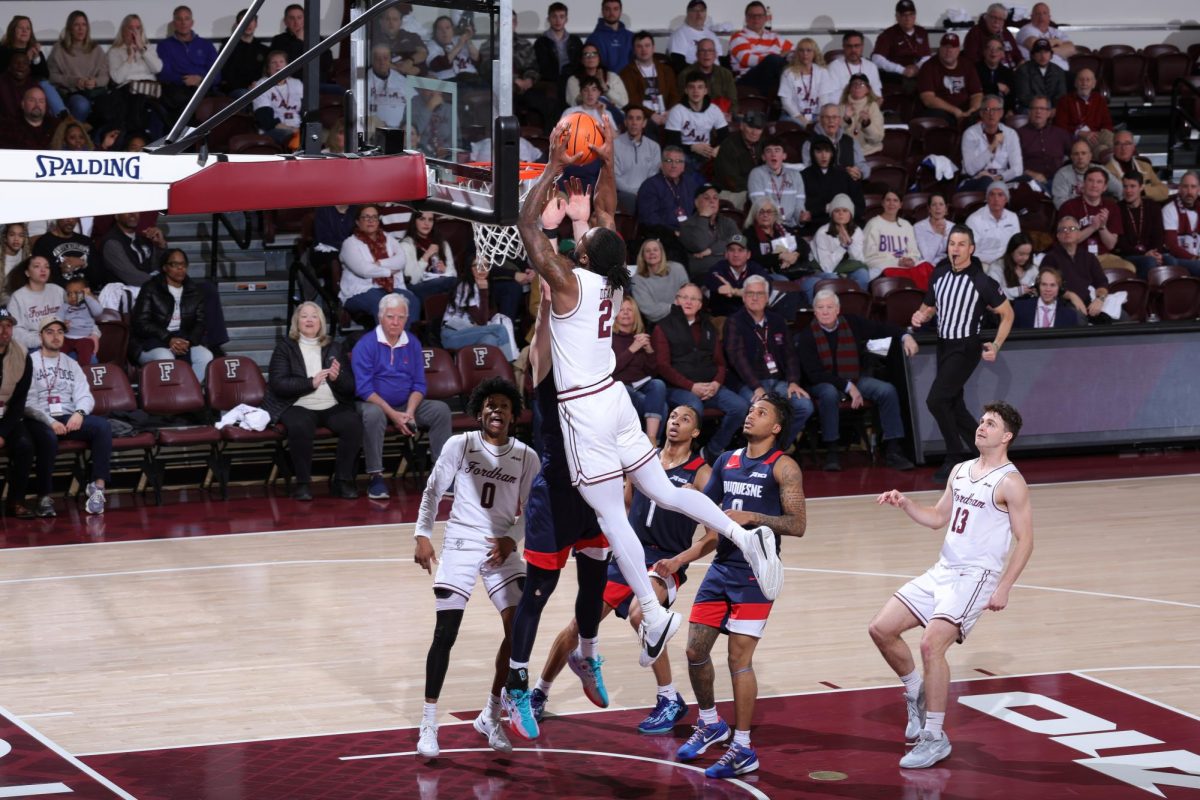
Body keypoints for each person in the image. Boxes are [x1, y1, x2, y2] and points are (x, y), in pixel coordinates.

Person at [514, 115, 783, 713]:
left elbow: (530, 227)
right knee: (660, 487)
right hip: (614, 397)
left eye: (579, 241)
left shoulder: (567, 282)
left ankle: (656, 612)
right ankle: (744, 534)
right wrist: (604, 161)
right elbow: (608, 217)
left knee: (612, 515)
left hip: (585, 408)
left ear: (581, 253)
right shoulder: (612, 280)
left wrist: (558, 166)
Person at [869, 401, 1033, 769]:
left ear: (1006, 436)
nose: (981, 426)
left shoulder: (1011, 481)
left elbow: (1026, 540)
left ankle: (935, 736)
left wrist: (1005, 586)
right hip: (943, 569)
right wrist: (906, 503)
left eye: (990, 423)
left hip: (976, 577)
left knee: (931, 645)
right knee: (881, 628)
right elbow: (938, 518)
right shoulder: (960, 470)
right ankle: (916, 691)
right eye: (981, 421)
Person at [532, 404, 712, 731]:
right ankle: (539, 693)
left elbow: (713, 536)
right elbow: (625, 504)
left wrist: (678, 561)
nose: (675, 421)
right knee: (578, 626)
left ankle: (669, 697)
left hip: (665, 560)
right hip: (630, 555)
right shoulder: (645, 461)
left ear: (695, 432)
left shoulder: (701, 474)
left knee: (642, 615)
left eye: (685, 419)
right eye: (672, 415)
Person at [677, 394, 806, 779]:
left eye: (761, 412)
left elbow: (797, 524)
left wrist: (753, 516)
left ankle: (743, 747)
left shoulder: (784, 466)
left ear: (777, 427)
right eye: (751, 410)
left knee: (738, 660)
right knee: (694, 649)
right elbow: (709, 519)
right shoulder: (726, 461)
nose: (751, 415)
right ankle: (711, 722)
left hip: (754, 575)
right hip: (721, 569)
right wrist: (679, 559)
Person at [412, 377, 539, 759]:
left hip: (500, 547)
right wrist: (422, 533)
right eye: (490, 405)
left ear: (514, 416)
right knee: (446, 633)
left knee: (518, 630)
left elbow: (532, 511)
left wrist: (511, 538)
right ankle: (429, 722)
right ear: (479, 410)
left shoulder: (526, 457)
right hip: (462, 541)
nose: (496, 410)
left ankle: (490, 714)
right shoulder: (460, 444)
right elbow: (434, 489)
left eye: (504, 406)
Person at [910, 226, 1014, 482]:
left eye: (961, 244)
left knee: (936, 400)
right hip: (943, 344)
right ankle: (988, 452)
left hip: (966, 346)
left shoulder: (981, 280)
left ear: (971, 249)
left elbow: (1008, 314)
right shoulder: (940, 274)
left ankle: (954, 456)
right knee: (953, 404)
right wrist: (920, 315)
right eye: (952, 243)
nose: (955, 249)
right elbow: (929, 306)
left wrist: (997, 345)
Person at [796, 289, 918, 470]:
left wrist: (905, 336)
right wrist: (847, 387)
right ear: (815, 311)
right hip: (822, 383)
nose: (825, 311)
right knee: (829, 393)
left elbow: (883, 328)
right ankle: (832, 452)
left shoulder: (852, 323)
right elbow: (814, 374)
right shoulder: (806, 335)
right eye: (820, 307)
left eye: (829, 307)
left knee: (887, 390)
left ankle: (893, 449)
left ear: (838, 309)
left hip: (854, 378)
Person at [352, 293, 452, 500]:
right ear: (380, 317)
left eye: (401, 317)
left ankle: (441, 475)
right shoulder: (366, 344)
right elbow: (364, 389)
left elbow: (419, 384)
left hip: (406, 404)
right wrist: (394, 415)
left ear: (407, 319)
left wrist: (409, 412)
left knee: (440, 410)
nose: (395, 322)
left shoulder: (413, 343)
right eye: (390, 316)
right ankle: (376, 476)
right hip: (374, 403)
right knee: (373, 414)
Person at [261, 302, 362, 501]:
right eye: (304, 316)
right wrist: (310, 383)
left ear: (321, 322)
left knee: (353, 424)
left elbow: (350, 386)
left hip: (331, 404)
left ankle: (342, 480)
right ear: (296, 322)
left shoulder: (334, 347)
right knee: (300, 425)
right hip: (297, 404)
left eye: (314, 316)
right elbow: (278, 384)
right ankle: (303, 483)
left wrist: (337, 378)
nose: (309, 320)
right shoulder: (285, 348)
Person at [653, 282, 752, 462]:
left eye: (694, 299)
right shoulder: (663, 327)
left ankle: (712, 451)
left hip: (710, 386)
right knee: (693, 408)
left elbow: (721, 363)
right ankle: (683, 457)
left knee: (740, 407)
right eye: (684, 297)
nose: (689, 302)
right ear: (676, 301)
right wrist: (691, 387)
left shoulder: (708, 326)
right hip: (678, 388)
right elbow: (662, 366)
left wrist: (716, 383)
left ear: (700, 304)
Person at [24, 317, 111, 517]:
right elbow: (27, 403)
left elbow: (85, 396)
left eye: (60, 332)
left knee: (102, 427)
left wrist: (79, 414)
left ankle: (98, 488)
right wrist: (51, 421)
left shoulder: (71, 363)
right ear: (40, 336)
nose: (56, 336)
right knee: (47, 437)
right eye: (50, 332)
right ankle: (44, 497)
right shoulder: (30, 362)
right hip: (40, 419)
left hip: (69, 418)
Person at [722, 275, 812, 447]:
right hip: (748, 384)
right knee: (761, 410)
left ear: (767, 296)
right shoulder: (734, 322)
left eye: (760, 293)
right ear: (743, 296)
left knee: (804, 406)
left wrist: (793, 382)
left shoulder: (777, 320)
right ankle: (756, 452)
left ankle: (775, 449)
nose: (755, 298)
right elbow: (736, 358)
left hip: (778, 381)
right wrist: (757, 386)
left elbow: (790, 354)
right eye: (750, 293)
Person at [130, 249, 213, 383]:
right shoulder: (150, 288)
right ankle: (170, 397)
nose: (180, 268)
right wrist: (168, 338)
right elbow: (141, 323)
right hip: (150, 342)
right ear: (165, 267)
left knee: (205, 356)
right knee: (166, 357)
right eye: (175, 264)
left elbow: (200, 323)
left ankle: (189, 393)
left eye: (183, 264)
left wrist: (189, 342)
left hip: (183, 339)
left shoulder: (195, 291)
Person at [339, 204, 420, 327]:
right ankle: (387, 343)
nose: (371, 220)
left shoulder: (388, 239)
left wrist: (379, 263)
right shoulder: (349, 244)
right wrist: (388, 271)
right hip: (360, 291)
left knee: (412, 301)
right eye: (366, 217)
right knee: (384, 304)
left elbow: (401, 260)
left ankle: (405, 342)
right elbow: (364, 270)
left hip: (391, 287)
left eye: (374, 217)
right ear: (357, 221)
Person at [1058, 165, 1136, 274]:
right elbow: (1069, 240)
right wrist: (1093, 227)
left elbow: (1111, 245)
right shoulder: (1069, 206)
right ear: (1083, 184)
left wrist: (1102, 227)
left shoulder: (1111, 206)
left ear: (1104, 187)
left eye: (1099, 182)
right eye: (1090, 181)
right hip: (1076, 255)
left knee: (1129, 268)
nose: (1094, 185)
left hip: (1103, 257)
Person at [636, 145, 706, 264]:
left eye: (678, 161)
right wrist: (673, 233)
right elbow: (649, 219)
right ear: (661, 164)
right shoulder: (650, 186)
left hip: (688, 234)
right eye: (669, 161)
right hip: (663, 236)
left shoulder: (691, 184)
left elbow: (698, 211)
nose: (674, 165)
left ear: (683, 166)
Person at [611, 296, 668, 443]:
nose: (625, 313)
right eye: (621, 310)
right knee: (662, 407)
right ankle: (652, 444)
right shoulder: (609, 338)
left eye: (629, 310)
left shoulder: (640, 337)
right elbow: (611, 369)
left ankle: (650, 440)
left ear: (635, 314)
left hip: (641, 386)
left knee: (658, 384)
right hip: (620, 387)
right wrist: (632, 349)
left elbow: (653, 372)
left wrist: (648, 350)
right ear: (615, 315)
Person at [440, 257, 519, 361]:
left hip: (471, 333)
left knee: (490, 340)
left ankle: (491, 375)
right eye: (477, 265)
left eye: (485, 266)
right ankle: (510, 367)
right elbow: (481, 321)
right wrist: (483, 291)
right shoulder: (464, 286)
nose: (482, 269)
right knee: (499, 329)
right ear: (470, 268)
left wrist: (484, 291)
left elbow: (488, 315)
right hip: (452, 335)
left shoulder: (484, 285)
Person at [0, 307, 38, 519]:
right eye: (0, 326)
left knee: (25, 445)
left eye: (8, 326)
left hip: (7, 416)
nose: (4, 331)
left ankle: (15, 502)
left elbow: (19, 402)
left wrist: (3, 433)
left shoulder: (22, 354)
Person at [1040, 215, 1112, 322]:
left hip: (1090, 301)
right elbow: (1046, 287)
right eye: (1063, 229)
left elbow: (1102, 282)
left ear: (1079, 234)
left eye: (1072, 229)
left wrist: (1100, 299)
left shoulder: (1089, 257)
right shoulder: (1050, 258)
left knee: (1120, 317)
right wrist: (1071, 296)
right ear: (1058, 236)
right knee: (1078, 318)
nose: (1067, 232)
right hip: (1063, 303)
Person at [105, 14, 166, 139]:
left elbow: (158, 68)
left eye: (137, 28)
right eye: (130, 28)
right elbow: (117, 78)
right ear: (123, 30)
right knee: (137, 104)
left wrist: (142, 49)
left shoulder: (147, 48)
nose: (134, 32)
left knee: (157, 108)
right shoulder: (115, 51)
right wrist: (130, 57)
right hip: (127, 91)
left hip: (150, 91)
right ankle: (137, 138)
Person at [156, 6, 220, 122]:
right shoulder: (164, 46)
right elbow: (164, 74)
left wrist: (200, 79)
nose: (183, 23)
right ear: (174, 23)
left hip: (203, 88)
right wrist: (184, 80)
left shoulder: (206, 45)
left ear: (192, 22)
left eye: (186, 19)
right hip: (178, 90)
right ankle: (187, 138)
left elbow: (216, 74)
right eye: (179, 19)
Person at [47, 10, 109, 124]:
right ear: (70, 28)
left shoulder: (96, 49)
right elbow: (51, 76)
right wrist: (74, 81)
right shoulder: (59, 49)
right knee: (81, 105)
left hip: (94, 93)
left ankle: (96, 139)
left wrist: (94, 82)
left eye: (84, 25)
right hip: (70, 93)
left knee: (109, 108)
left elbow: (105, 77)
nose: (81, 29)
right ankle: (73, 135)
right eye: (77, 25)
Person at [864, 190, 934, 287]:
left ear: (900, 205)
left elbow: (914, 252)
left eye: (895, 200)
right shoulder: (873, 224)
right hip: (885, 266)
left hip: (906, 266)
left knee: (927, 267)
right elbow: (868, 257)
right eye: (888, 200)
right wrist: (897, 261)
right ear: (882, 203)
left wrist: (910, 260)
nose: (891, 203)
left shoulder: (906, 225)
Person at [664, 75, 728, 172]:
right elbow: (672, 143)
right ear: (686, 90)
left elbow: (725, 135)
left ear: (705, 91)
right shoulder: (677, 111)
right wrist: (692, 147)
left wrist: (717, 148)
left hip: (707, 153)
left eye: (700, 87)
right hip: (683, 153)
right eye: (691, 87)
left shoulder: (714, 109)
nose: (695, 91)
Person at [915, 33, 982, 124]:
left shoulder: (967, 65)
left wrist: (972, 110)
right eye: (945, 47)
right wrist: (955, 111)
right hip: (942, 111)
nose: (949, 51)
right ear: (940, 49)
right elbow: (928, 99)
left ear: (958, 50)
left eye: (953, 47)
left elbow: (977, 94)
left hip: (966, 111)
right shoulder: (928, 67)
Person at [728, 1, 792, 97]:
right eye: (752, 16)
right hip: (747, 79)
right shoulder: (738, 37)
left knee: (803, 57)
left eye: (759, 16)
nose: (756, 19)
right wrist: (777, 56)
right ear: (746, 18)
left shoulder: (774, 37)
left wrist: (788, 56)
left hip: (773, 77)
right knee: (773, 61)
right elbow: (748, 60)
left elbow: (795, 52)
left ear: (765, 18)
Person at [960, 95, 1022, 191]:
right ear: (981, 113)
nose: (991, 113)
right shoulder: (970, 134)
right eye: (987, 109)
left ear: (1001, 113)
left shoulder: (1010, 134)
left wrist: (1000, 177)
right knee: (986, 181)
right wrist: (992, 147)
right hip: (977, 180)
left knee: (1027, 180)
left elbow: (1018, 169)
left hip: (1002, 180)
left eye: (995, 110)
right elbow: (970, 170)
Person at [802, 137, 865, 232]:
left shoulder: (845, 175)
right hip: (815, 226)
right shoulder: (804, 176)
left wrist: (834, 209)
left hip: (844, 224)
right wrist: (825, 208)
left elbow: (859, 206)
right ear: (812, 154)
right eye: (819, 152)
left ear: (832, 153)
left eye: (827, 151)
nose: (824, 156)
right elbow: (804, 207)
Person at [811, 194, 870, 295]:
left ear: (850, 214)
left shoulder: (857, 231)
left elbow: (859, 260)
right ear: (832, 214)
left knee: (863, 274)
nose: (841, 214)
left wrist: (849, 244)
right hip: (821, 269)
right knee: (833, 279)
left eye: (845, 210)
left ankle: (858, 304)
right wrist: (842, 247)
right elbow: (827, 267)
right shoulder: (822, 232)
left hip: (846, 267)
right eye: (837, 211)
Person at [620, 31, 680, 130]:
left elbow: (674, 95)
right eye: (639, 46)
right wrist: (651, 115)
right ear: (634, 50)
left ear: (653, 48)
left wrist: (670, 112)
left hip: (667, 115)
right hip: (643, 119)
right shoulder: (627, 73)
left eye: (647, 45)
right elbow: (631, 100)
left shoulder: (666, 70)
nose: (644, 50)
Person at [7, 256, 67, 352]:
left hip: (62, 340)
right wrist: (41, 340)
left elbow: (76, 311)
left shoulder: (58, 290)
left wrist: (93, 333)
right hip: (35, 345)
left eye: (47, 267)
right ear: (27, 273)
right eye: (37, 266)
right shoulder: (18, 297)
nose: (43, 270)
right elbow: (15, 330)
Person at [702, 235, 771, 318]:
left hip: (751, 318)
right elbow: (712, 278)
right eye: (731, 250)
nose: (736, 254)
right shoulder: (718, 267)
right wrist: (721, 287)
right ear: (726, 254)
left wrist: (734, 291)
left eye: (740, 250)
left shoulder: (755, 268)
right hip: (723, 319)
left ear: (748, 254)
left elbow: (766, 285)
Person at [965, 182, 1021, 284]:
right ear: (987, 198)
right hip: (983, 264)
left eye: (1000, 195)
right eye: (992, 194)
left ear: (1006, 199)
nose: (996, 199)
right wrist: (995, 261)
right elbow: (970, 251)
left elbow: (1017, 244)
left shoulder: (1013, 217)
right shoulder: (974, 219)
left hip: (1007, 263)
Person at [681, 184, 741, 279]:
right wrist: (703, 217)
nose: (712, 201)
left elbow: (739, 242)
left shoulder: (727, 221)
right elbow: (700, 245)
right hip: (704, 274)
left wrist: (711, 250)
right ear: (696, 203)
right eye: (706, 198)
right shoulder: (687, 225)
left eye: (715, 198)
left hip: (731, 271)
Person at [749, 140, 809, 231]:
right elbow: (759, 205)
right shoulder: (757, 174)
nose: (773, 154)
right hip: (767, 227)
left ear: (784, 156)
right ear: (763, 157)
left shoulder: (795, 175)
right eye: (769, 151)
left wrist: (801, 217)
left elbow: (799, 205)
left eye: (777, 150)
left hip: (791, 227)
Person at [401, 211, 458, 307]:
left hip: (441, 284)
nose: (426, 223)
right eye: (422, 219)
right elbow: (412, 280)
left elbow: (453, 275)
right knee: (450, 284)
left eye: (430, 220)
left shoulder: (442, 244)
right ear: (414, 222)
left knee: (457, 284)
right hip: (417, 287)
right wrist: (426, 256)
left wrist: (445, 270)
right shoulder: (406, 245)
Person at [801, 104, 871, 181]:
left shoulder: (851, 141)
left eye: (834, 117)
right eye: (827, 117)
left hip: (849, 186)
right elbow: (810, 171)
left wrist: (859, 173)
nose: (831, 121)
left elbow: (862, 165)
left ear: (839, 120)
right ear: (820, 120)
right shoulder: (810, 143)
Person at [1116, 173, 1168, 277]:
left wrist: (1155, 254)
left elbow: (1159, 235)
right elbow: (1120, 242)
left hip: (1151, 253)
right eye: (1125, 186)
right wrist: (1144, 254)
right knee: (1149, 262)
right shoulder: (1117, 208)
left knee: (1170, 260)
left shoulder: (1153, 206)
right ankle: (1146, 293)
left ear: (1141, 187)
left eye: (1132, 186)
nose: (1128, 191)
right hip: (1128, 255)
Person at [872, 0, 932, 89]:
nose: (908, 18)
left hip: (919, 76)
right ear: (897, 17)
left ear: (915, 16)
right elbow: (877, 59)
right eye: (904, 15)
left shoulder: (921, 32)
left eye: (911, 14)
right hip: (896, 78)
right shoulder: (888, 34)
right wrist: (901, 70)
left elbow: (927, 56)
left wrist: (917, 67)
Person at [778, 38, 837, 128]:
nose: (805, 54)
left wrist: (819, 118)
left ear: (814, 53)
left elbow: (824, 99)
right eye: (801, 51)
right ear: (797, 53)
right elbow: (786, 102)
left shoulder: (822, 72)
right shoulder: (788, 73)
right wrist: (803, 120)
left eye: (809, 50)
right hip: (792, 116)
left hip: (816, 116)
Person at [742, 197, 808, 277]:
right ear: (754, 215)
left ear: (775, 214)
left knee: (824, 279)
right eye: (761, 212)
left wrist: (795, 254)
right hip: (767, 274)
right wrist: (780, 256)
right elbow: (754, 258)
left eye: (769, 212)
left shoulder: (784, 229)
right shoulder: (749, 234)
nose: (765, 215)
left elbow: (804, 245)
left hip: (794, 270)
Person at [1053, 68, 1113, 155]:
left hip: (1097, 136)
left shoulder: (1100, 99)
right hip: (1076, 138)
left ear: (1094, 84)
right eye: (1081, 80)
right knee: (1102, 149)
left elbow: (1108, 124)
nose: (1084, 83)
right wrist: (1080, 132)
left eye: (1088, 80)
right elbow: (1060, 126)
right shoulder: (1065, 100)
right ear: (1075, 83)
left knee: (1108, 137)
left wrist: (1095, 134)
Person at [614, 105, 662, 213]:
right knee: (630, 200)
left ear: (644, 123)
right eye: (630, 118)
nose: (634, 123)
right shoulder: (614, 145)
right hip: (622, 193)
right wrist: (635, 192)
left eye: (638, 119)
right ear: (625, 122)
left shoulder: (654, 147)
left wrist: (644, 192)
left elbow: (653, 176)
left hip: (647, 192)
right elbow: (615, 178)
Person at [712, 110, 765, 208]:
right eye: (751, 127)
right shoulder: (729, 146)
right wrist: (756, 187)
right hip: (731, 192)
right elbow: (731, 181)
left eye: (758, 128)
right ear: (742, 126)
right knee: (758, 201)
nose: (754, 132)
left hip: (755, 189)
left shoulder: (762, 143)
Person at [631, 237, 690, 324]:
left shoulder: (677, 269)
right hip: (658, 325)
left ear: (662, 253)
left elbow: (688, 297)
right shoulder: (637, 280)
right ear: (643, 256)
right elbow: (650, 310)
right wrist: (674, 307)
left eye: (655, 250)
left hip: (683, 319)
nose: (652, 253)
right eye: (647, 251)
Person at [1019, 95, 1071, 192]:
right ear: (1029, 112)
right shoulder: (1019, 134)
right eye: (1035, 108)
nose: (1038, 112)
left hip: (1059, 180)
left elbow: (1074, 155)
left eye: (1042, 108)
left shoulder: (1060, 133)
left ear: (1049, 113)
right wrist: (1031, 174)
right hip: (1032, 182)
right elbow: (1013, 165)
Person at [676, 39, 738, 121]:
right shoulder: (685, 74)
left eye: (710, 51)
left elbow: (733, 101)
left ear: (715, 54)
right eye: (702, 51)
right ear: (697, 55)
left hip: (722, 117)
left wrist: (730, 114)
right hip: (695, 117)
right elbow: (682, 101)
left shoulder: (725, 74)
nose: (707, 54)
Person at [1052, 138, 1121, 210]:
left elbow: (1120, 190)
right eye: (1076, 154)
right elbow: (1060, 203)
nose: (1080, 157)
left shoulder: (1101, 170)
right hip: (1074, 214)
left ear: (1090, 156)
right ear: (1071, 157)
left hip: (1099, 213)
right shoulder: (1062, 174)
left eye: (1083, 153)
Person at [1105, 131, 1169, 204]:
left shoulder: (1145, 166)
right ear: (1113, 147)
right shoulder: (1106, 171)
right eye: (1119, 144)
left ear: (1133, 147)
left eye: (1127, 143)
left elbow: (1164, 192)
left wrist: (1143, 191)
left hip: (1146, 208)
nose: (1123, 148)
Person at [31, 217, 98, 288]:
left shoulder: (86, 241)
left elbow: (99, 276)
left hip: (86, 292)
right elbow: (40, 276)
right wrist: (61, 270)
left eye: (74, 217)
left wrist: (83, 263)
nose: (70, 220)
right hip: (58, 294)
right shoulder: (44, 243)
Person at [534, 2, 584, 90]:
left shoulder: (575, 41)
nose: (558, 20)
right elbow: (541, 67)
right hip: (550, 83)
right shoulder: (541, 42)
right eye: (554, 16)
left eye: (561, 16)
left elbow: (580, 64)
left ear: (566, 19)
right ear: (549, 19)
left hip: (572, 81)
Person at [1161, 170, 1200, 277]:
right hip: (1178, 258)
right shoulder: (1169, 209)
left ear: (1198, 189)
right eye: (1185, 187)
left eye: (1193, 187)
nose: (1189, 191)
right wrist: (1194, 258)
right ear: (1179, 188)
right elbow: (1171, 245)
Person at [221, 9, 268, 97]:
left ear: (256, 24)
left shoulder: (262, 49)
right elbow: (226, 74)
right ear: (238, 25)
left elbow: (267, 72)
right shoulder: (228, 46)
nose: (248, 24)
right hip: (235, 89)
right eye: (244, 21)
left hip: (258, 88)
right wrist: (247, 87)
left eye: (251, 21)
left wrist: (258, 84)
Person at [1011, 266, 1078, 328]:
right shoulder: (1020, 308)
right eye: (1044, 284)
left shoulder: (1070, 316)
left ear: (1059, 288)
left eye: (1052, 285)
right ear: (1038, 287)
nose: (1048, 289)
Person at [57, 276, 102, 366]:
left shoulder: (88, 305)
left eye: (77, 293)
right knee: (58, 353)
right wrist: (62, 325)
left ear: (85, 292)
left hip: (85, 338)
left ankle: (83, 373)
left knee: (85, 355)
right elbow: (57, 319)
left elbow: (98, 312)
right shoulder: (65, 306)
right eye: (69, 294)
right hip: (67, 337)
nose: (73, 296)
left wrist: (88, 297)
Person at [366, 43, 411, 131]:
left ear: (390, 59)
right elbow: (358, 111)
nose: (382, 62)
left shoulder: (401, 80)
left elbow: (414, 105)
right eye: (377, 58)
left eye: (385, 58)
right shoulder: (364, 81)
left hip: (402, 131)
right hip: (375, 131)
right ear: (371, 60)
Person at [1013, 37, 1067, 111]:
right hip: (1031, 109)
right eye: (1039, 52)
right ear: (1033, 55)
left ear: (1051, 55)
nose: (1043, 56)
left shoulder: (1058, 71)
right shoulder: (1023, 70)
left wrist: (1053, 108)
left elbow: (1061, 95)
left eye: (1046, 52)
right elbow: (1024, 97)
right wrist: (1043, 108)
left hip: (1052, 110)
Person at [962, 3, 1023, 68]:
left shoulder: (1006, 33)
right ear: (986, 17)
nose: (996, 21)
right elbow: (971, 60)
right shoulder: (975, 33)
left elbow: (1018, 55)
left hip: (1010, 72)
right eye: (994, 17)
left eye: (1000, 19)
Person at [828, 30, 884, 98]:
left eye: (857, 46)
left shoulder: (871, 66)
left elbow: (877, 95)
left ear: (862, 47)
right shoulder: (834, 66)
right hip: (843, 106)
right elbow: (832, 96)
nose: (853, 50)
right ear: (844, 47)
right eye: (849, 46)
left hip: (867, 106)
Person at [838, 74, 884, 157]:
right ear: (849, 89)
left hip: (869, 153)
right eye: (854, 84)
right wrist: (846, 119)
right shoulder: (841, 107)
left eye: (861, 84)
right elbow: (835, 135)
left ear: (867, 89)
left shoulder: (873, 107)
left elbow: (877, 139)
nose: (857, 87)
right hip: (847, 153)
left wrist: (867, 124)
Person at [1016, 3, 1074, 67]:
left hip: (1062, 71)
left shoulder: (1056, 32)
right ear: (1031, 17)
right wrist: (1056, 41)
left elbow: (1071, 49)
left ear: (1049, 17)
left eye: (1045, 13)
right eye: (1038, 14)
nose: (1041, 17)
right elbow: (1035, 45)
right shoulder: (1026, 30)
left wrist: (1048, 49)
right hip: (1037, 71)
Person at [669, 0, 726, 65]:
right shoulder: (679, 34)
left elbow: (720, 58)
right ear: (688, 13)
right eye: (694, 10)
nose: (699, 14)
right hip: (694, 73)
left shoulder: (712, 35)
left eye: (702, 11)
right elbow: (678, 62)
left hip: (716, 72)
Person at [425, 15, 480, 82]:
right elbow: (436, 66)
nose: (444, 32)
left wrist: (468, 40)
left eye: (447, 28)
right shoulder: (431, 45)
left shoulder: (458, 39)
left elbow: (476, 59)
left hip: (472, 78)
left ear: (452, 30)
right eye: (440, 29)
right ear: (435, 32)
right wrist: (459, 46)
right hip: (450, 81)